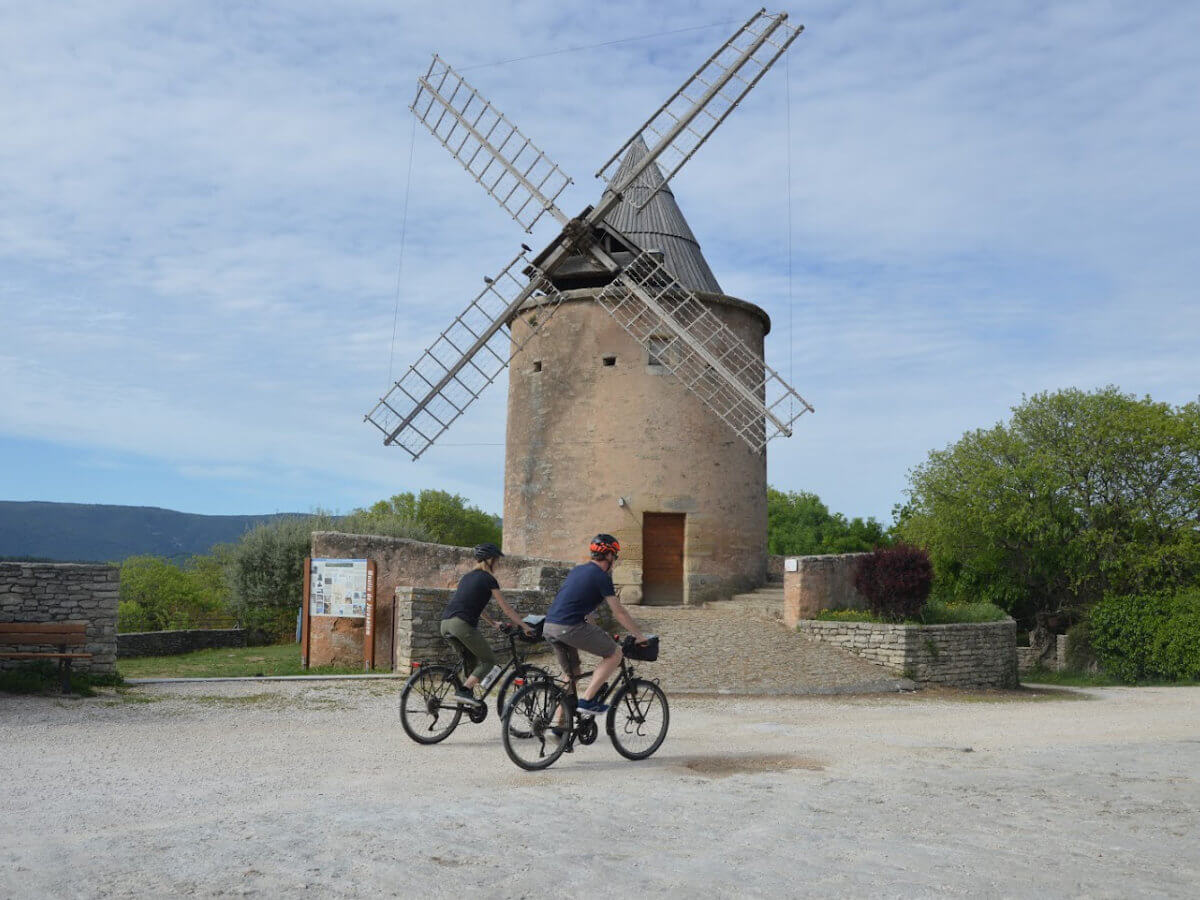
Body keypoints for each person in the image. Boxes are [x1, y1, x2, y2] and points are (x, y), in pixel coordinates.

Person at [543, 533, 647, 716]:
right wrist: (639, 636)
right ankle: (587, 700)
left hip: (550, 626)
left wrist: (598, 631)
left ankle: (559, 727)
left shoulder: (577, 570)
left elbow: (583, 608)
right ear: (608, 555)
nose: (614, 559)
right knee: (615, 653)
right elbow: (619, 612)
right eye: (614, 555)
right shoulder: (601, 576)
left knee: (572, 674)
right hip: (569, 627)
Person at [440, 542, 533, 705]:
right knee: (489, 660)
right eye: (497, 560)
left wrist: (492, 623)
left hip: (446, 623)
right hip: (462, 625)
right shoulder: (489, 579)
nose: (498, 563)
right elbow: (507, 609)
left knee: (471, 661)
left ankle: (465, 699)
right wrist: (525, 627)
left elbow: (473, 605)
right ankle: (465, 691)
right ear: (489, 559)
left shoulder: (466, 577)